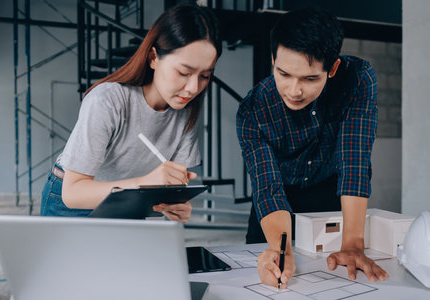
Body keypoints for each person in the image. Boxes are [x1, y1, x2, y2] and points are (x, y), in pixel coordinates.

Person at [236, 8, 389, 288]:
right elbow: (267, 186)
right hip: (278, 199)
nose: (294, 90)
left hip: (329, 194)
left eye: (310, 79)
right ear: (273, 60)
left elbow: (354, 161)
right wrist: (282, 253)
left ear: (332, 69)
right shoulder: (253, 110)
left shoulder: (358, 79)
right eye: (283, 74)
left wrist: (353, 243)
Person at [40, 3, 222, 222]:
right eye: (184, 72)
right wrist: (144, 184)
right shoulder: (107, 100)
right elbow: (73, 194)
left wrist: (178, 206)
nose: (193, 88)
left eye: (204, 76)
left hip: (128, 199)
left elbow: (168, 189)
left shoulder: (185, 113)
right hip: (72, 200)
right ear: (153, 58)